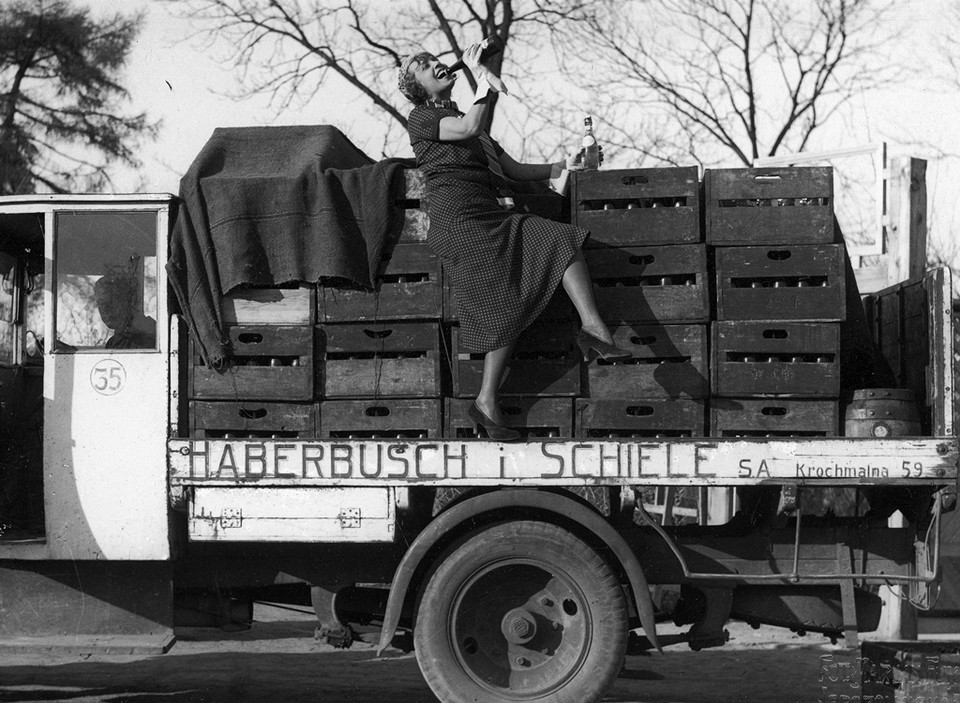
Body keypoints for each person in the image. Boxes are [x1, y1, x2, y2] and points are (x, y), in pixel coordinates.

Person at [398, 42, 629, 441]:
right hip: (460, 221)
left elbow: (515, 169)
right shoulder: (421, 118)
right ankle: (487, 400)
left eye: (437, 60)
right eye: (426, 66)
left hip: (487, 216)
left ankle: (590, 329)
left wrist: (564, 164)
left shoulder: (467, 120)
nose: (437, 65)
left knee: (557, 242)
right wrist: (482, 77)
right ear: (417, 87)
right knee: (506, 297)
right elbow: (469, 127)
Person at [94, 273, 156, 349]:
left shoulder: (150, 335)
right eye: (100, 304)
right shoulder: (113, 343)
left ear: (126, 302)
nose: (105, 310)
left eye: (110, 302)